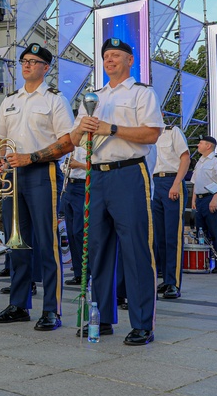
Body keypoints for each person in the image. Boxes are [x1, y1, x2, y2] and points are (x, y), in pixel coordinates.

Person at [71, 38, 162, 345]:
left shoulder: (141, 92)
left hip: (128, 172)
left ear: (130, 60)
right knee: (98, 250)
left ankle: (141, 324)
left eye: (116, 55)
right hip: (96, 175)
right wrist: (81, 128)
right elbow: (74, 138)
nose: (110, 60)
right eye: (106, 56)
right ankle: (102, 317)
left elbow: (151, 133)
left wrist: (110, 128)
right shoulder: (93, 96)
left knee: (136, 250)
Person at [0, 43, 75, 331]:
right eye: (24, 61)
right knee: (17, 242)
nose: (27, 65)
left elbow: (67, 142)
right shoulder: (10, 100)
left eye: (34, 61)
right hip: (13, 175)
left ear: (45, 67)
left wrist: (32, 157)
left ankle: (52, 309)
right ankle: (19, 304)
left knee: (47, 243)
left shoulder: (55, 100)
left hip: (42, 172)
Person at [151, 124, 190, 299]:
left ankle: (174, 282)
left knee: (173, 235)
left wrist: (176, 184)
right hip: (154, 183)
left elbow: (185, 158)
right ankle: (166, 279)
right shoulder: (147, 134)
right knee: (159, 237)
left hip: (171, 181)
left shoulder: (172, 131)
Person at [190, 135, 217, 273]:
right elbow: (196, 181)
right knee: (202, 233)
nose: (198, 145)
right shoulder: (200, 161)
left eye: (200, 143)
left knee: (216, 232)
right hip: (200, 199)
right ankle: (204, 262)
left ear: (208, 146)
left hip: (212, 197)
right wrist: (193, 199)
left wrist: (215, 199)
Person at [60, 145, 89, 287]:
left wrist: (78, 165)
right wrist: (65, 167)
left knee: (80, 231)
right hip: (69, 186)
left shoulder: (90, 142)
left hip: (83, 185)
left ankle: (86, 272)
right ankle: (78, 273)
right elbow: (63, 164)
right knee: (70, 232)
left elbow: (95, 166)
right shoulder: (72, 145)